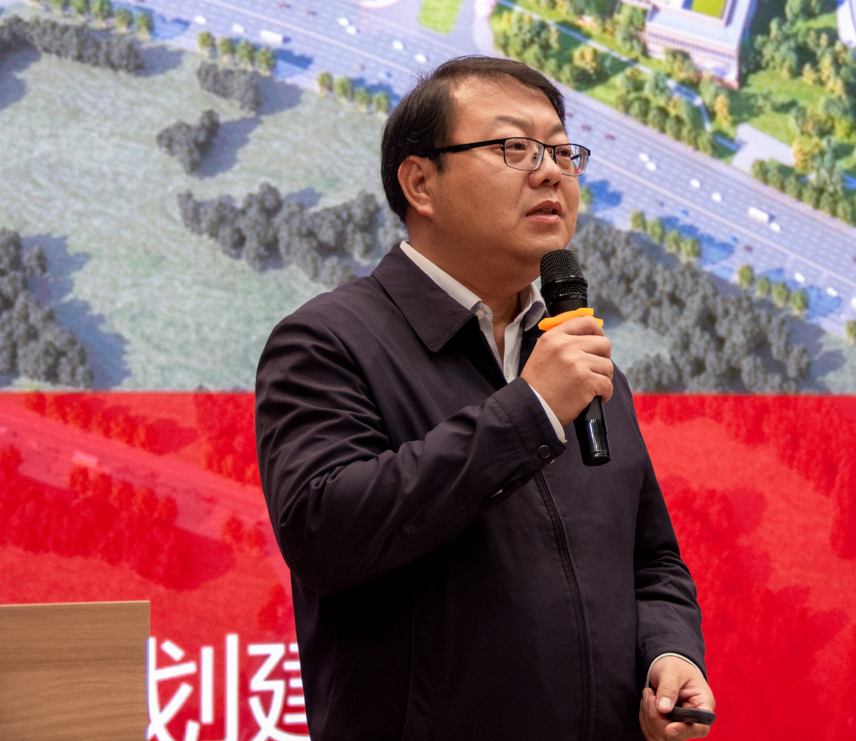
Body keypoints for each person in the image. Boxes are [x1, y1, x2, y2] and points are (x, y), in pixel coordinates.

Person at [255, 56, 715, 740]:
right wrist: (529, 411)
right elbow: (324, 530)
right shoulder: (328, 341)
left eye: (561, 152)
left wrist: (668, 653)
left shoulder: (580, 363)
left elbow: (650, 560)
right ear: (421, 183)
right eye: (515, 148)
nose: (550, 172)